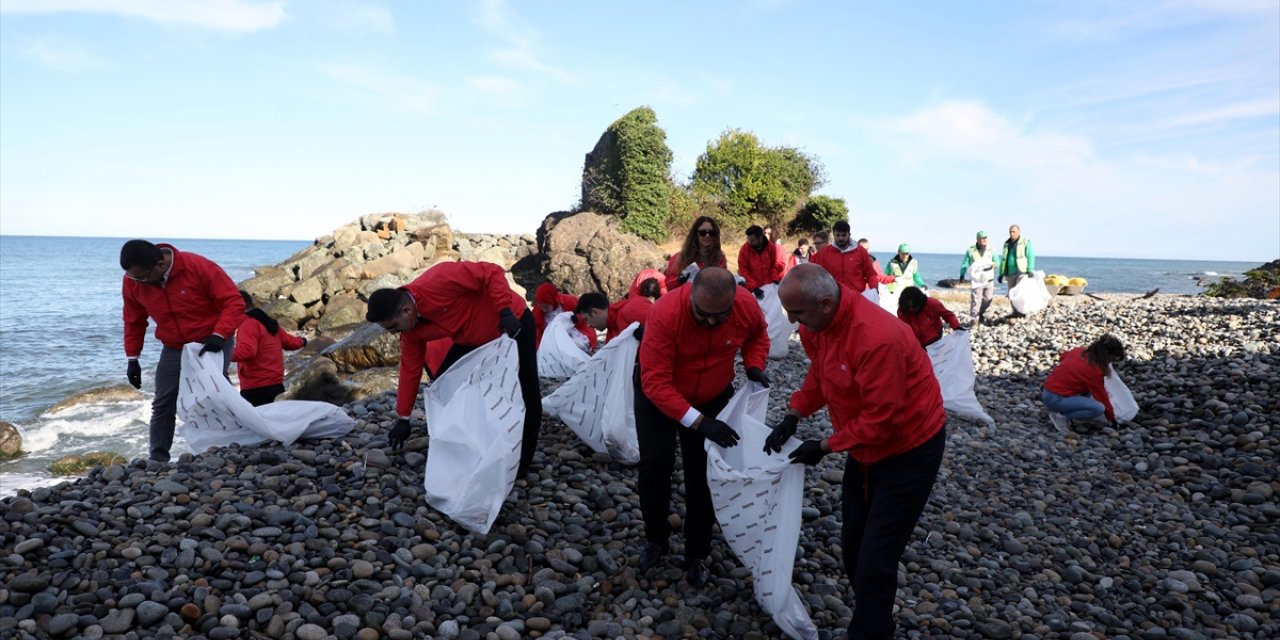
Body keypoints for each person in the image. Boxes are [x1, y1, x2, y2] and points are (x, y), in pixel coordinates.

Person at [766, 264, 946, 639]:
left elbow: (883, 419)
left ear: (826, 302)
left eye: (797, 314)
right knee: (852, 547)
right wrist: (795, 413)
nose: (792, 322)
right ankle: (873, 612)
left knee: (876, 559)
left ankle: (869, 632)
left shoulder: (877, 338)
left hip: (909, 448)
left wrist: (825, 446)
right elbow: (822, 372)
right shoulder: (819, 324)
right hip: (864, 449)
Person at [635, 267, 770, 586]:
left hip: (713, 393)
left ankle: (697, 551)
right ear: (690, 296)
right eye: (702, 315)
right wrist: (700, 423)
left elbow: (758, 337)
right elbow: (654, 382)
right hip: (660, 393)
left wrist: (753, 365)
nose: (710, 322)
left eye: (718, 316)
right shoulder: (666, 312)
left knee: (704, 474)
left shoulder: (746, 305)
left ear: (733, 303)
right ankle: (656, 539)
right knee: (656, 464)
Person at [365, 261, 542, 474]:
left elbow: (491, 272)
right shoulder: (411, 333)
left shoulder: (439, 280)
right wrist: (403, 417)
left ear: (406, 310)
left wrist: (504, 311)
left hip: (513, 323)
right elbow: (410, 370)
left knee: (526, 390)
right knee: (443, 388)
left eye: (393, 327)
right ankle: (466, 445)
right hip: (470, 339)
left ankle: (521, 464)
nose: (393, 333)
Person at [121, 239, 245, 462]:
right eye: (132, 277)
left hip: (213, 338)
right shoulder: (133, 282)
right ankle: (157, 459)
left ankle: (234, 445)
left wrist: (219, 334)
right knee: (163, 401)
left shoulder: (198, 266)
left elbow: (233, 301)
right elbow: (134, 320)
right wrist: (132, 358)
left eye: (141, 277)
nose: (136, 282)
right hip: (174, 346)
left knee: (217, 393)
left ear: (160, 265)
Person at [232, 291, 308, 406]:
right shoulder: (267, 322)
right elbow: (290, 342)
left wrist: (223, 352)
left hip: (255, 388)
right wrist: (303, 341)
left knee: (255, 422)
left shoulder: (248, 324)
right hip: (275, 385)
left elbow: (247, 352)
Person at [1042, 334, 1126, 432]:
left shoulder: (1079, 350)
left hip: (1048, 390)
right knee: (1098, 408)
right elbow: (1102, 397)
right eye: (1112, 359)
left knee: (1086, 387)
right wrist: (1112, 419)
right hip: (1055, 399)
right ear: (1107, 356)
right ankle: (1061, 416)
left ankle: (1070, 410)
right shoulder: (1094, 371)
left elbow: (1063, 357)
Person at [810, 220, 879, 292]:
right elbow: (816, 276)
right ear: (833, 234)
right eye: (838, 235)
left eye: (844, 235)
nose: (841, 238)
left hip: (856, 297)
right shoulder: (824, 253)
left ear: (849, 234)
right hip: (833, 298)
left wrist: (875, 290)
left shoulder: (861, 252)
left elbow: (871, 275)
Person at [665, 216, 728, 290]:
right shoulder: (679, 258)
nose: (707, 236)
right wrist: (681, 279)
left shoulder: (719, 258)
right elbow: (669, 286)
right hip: (686, 297)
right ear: (696, 234)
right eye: (703, 233)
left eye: (711, 233)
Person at [533, 282, 597, 351]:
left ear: (552, 300)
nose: (544, 310)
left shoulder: (568, 301)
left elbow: (585, 313)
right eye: (541, 307)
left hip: (576, 332)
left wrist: (576, 318)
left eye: (546, 307)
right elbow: (536, 330)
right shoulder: (537, 312)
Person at [896, 287, 962, 347]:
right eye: (909, 307)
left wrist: (957, 327)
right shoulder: (902, 311)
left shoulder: (933, 304)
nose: (912, 309)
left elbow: (948, 315)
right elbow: (904, 330)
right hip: (916, 343)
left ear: (920, 302)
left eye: (914, 306)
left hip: (935, 339)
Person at [959, 230, 997, 326]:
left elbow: (996, 260)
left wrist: (996, 264)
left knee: (988, 298)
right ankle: (974, 319)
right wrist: (962, 274)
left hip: (989, 277)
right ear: (977, 239)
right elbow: (965, 262)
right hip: (977, 279)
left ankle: (982, 314)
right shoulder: (971, 250)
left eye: (986, 238)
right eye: (982, 238)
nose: (984, 240)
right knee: (976, 299)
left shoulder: (991, 248)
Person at [737, 225, 785, 297]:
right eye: (749, 240)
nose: (750, 243)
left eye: (752, 240)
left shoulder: (772, 248)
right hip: (753, 290)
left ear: (760, 238)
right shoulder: (744, 250)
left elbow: (776, 265)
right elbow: (743, 271)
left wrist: (774, 278)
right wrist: (753, 287)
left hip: (769, 287)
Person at [997, 224, 1035, 289]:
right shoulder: (1006, 243)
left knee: (1019, 293)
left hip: (1021, 272)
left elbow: (1030, 256)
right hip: (1009, 273)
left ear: (1019, 232)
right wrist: (1001, 273)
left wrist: (1030, 270)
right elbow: (1004, 259)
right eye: (1010, 232)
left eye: (1013, 232)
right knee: (1011, 294)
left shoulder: (1025, 242)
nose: (1012, 234)